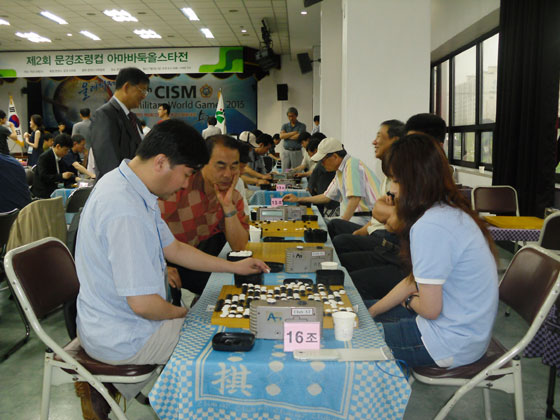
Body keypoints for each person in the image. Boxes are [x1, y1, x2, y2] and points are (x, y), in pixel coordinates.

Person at [75, 120, 268, 419]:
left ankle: (130, 391)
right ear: (161, 162)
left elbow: (174, 248)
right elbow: (144, 305)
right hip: (124, 336)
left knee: (218, 316)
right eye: (187, 174)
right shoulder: (125, 209)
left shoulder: (128, 185)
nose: (185, 184)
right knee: (231, 339)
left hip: (110, 322)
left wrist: (235, 266)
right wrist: (186, 315)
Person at [366, 133, 498, 368]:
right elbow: (414, 281)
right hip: (462, 333)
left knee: (350, 338)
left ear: (415, 182)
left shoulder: (431, 225)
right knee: (361, 312)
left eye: (395, 180)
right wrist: (372, 311)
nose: (392, 190)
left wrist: (409, 302)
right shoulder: (447, 211)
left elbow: (429, 309)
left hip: (447, 343)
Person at [159, 134, 249, 298]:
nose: (228, 174)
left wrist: (228, 206)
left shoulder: (233, 196)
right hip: (162, 256)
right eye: (220, 166)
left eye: (233, 167)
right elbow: (141, 230)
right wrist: (159, 266)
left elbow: (239, 247)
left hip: (191, 256)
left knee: (237, 285)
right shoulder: (180, 186)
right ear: (202, 164)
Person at [283, 137, 380, 226]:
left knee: (327, 226)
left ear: (335, 156)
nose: (321, 164)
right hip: (355, 218)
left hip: (366, 219)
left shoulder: (352, 166)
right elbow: (326, 196)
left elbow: (354, 199)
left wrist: (342, 224)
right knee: (317, 223)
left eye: (323, 160)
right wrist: (298, 199)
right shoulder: (340, 171)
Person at [89, 67, 149, 178]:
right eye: (142, 90)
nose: (144, 96)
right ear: (127, 87)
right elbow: (108, 164)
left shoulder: (133, 118)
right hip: (117, 185)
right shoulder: (104, 115)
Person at [31, 133, 75, 198]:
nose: (66, 153)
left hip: (55, 189)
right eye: (65, 150)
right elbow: (44, 177)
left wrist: (75, 178)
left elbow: (64, 172)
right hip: (44, 192)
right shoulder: (44, 157)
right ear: (58, 146)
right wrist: (61, 176)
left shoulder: (60, 157)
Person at [279, 107, 307, 171]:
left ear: (296, 115)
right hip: (286, 151)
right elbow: (281, 136)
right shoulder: (285, 126)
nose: (291, 118)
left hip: (296, 151)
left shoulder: (302, 126)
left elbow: (298, 137)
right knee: (285, 171)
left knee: (296, 171)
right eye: (289, 116)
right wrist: (293, 133)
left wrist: (286, 135)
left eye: (292, 116)